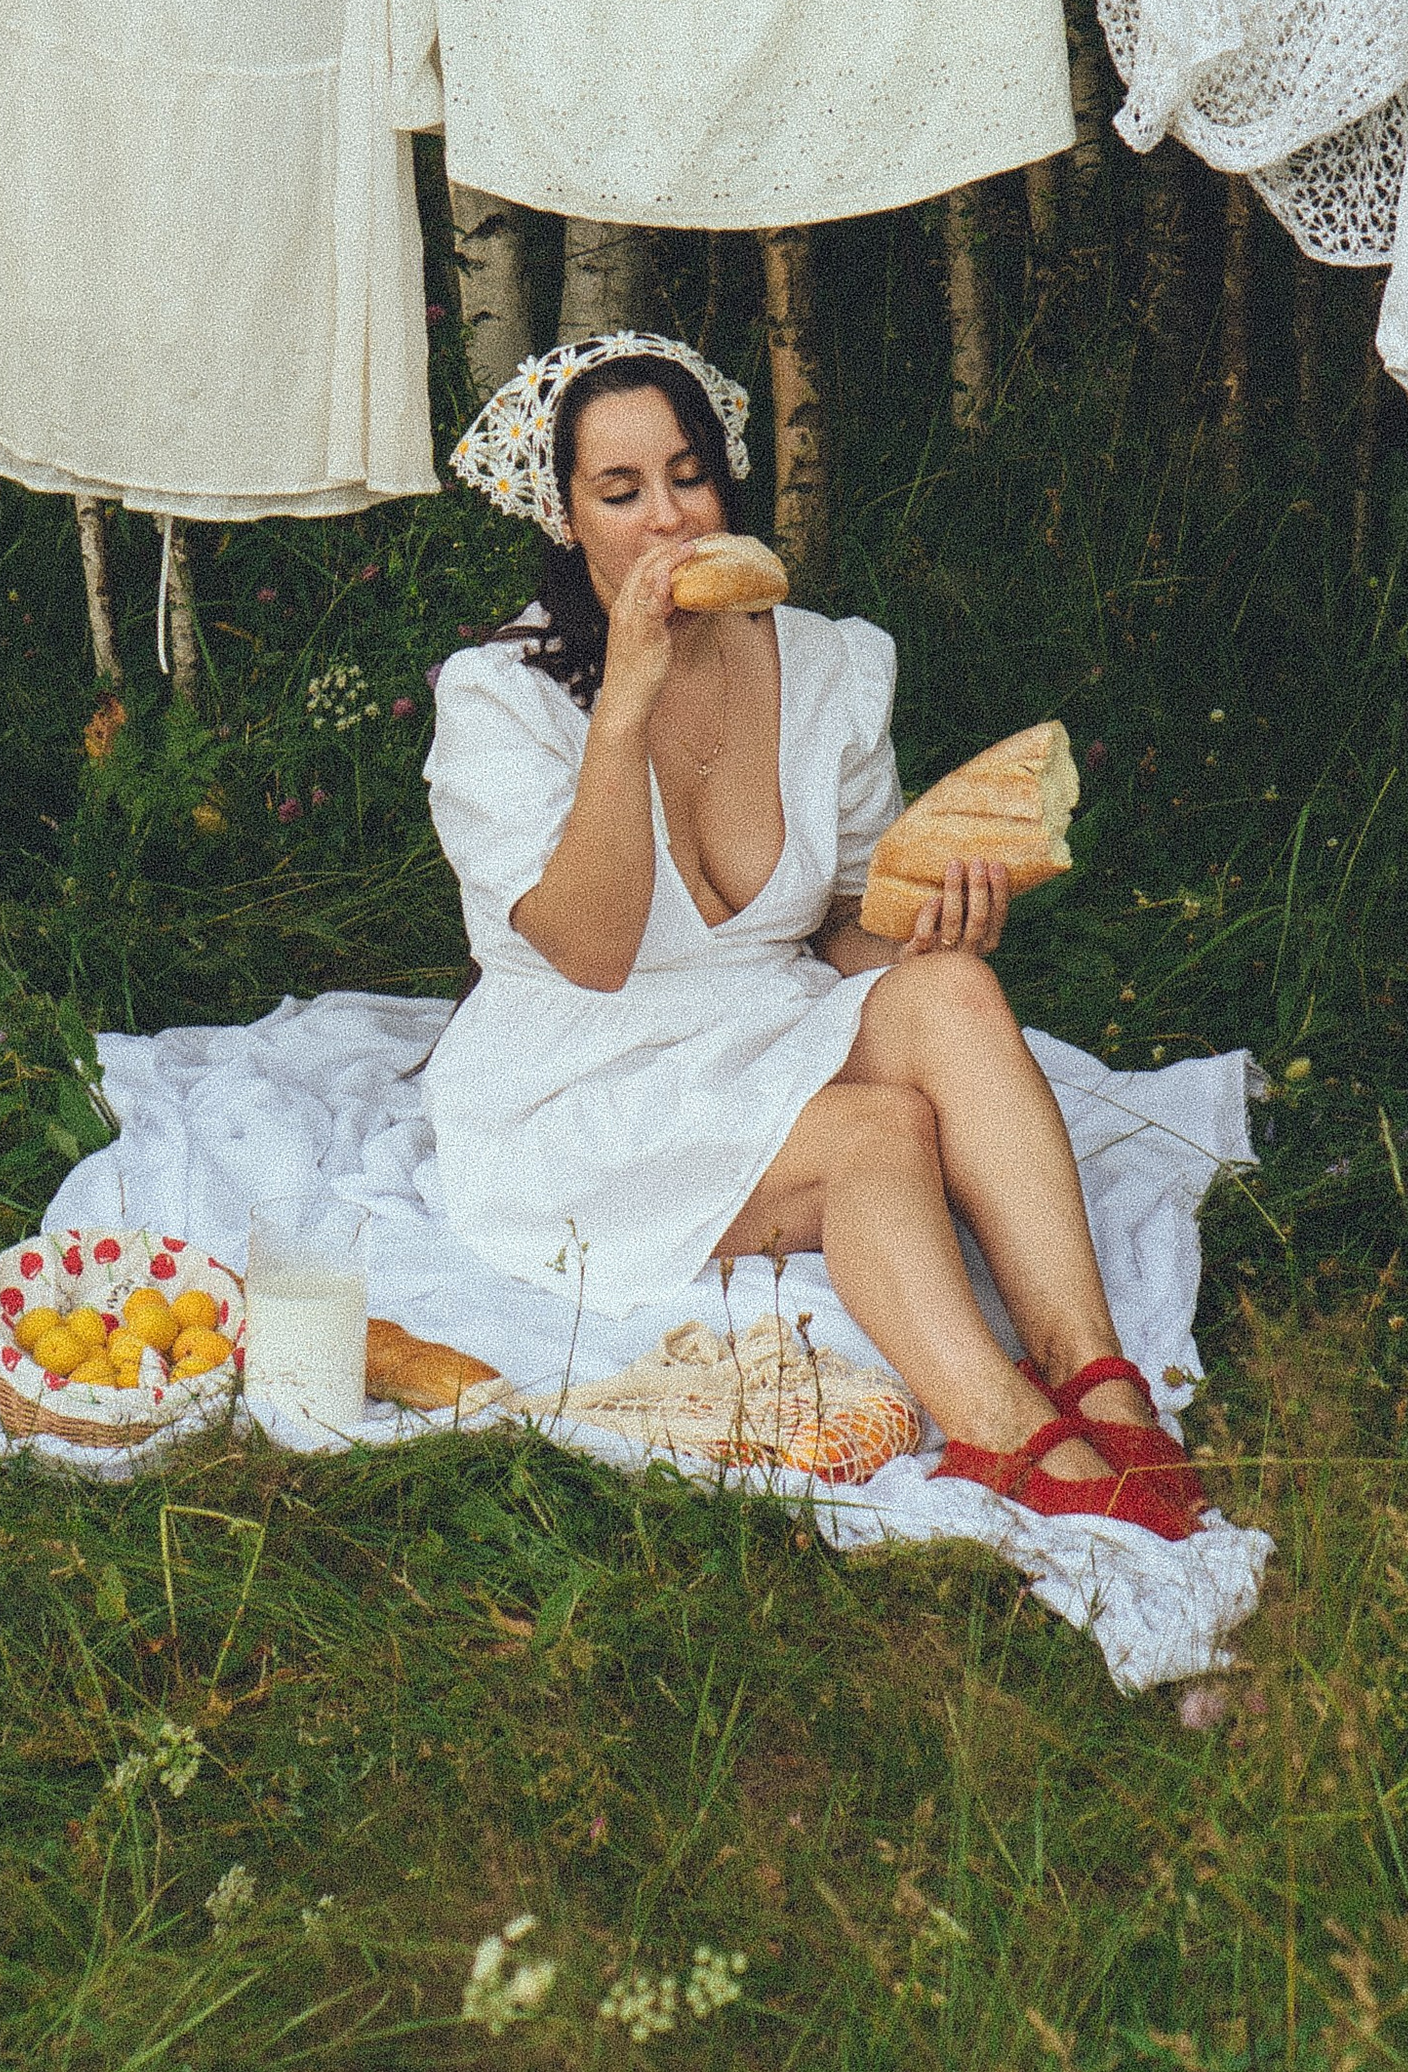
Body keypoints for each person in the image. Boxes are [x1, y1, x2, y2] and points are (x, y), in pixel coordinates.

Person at [423, 330, 1202, 1536]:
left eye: (689, 477)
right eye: (621, 494)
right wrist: (623, 702)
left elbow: (836, 927)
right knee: (877, 1133)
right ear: (564, 520)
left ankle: (1097, 1377)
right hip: (581, 1076)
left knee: (953, 994)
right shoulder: (498, 699)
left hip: (758, 1023)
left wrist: (920, 930)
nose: (669, 520)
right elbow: (592, 951)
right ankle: (1004, 1437)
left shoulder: (828, 663)